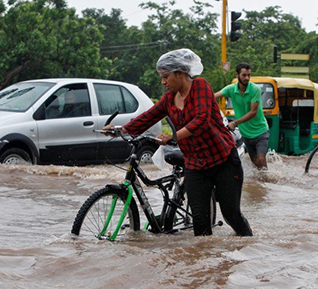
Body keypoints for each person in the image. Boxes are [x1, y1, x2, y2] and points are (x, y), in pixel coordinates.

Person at [103, 48, 253, 237]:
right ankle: (206, 265)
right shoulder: (169, 99)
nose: (163, 82)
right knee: (200, 222)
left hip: (223, 161)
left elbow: (202, 119)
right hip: (196, 165)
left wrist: (174, 137)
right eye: (161, 77)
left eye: (166, 76)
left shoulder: (200, 87)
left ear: (180, 73)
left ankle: (248, 246)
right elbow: (148, 117)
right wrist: (120, 130)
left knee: (231, 215)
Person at [214, 63, 269, 169]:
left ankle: (267, 183)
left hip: (261, 131)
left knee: (261, 159)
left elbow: (253, 112)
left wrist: (235, 123)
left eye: (249, 75)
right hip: (246, 134)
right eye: (244, 75)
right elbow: (213, 96)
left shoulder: (255, 89)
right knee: (255, 163)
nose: (247, 78)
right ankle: (259, 184)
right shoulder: (230, 89)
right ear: (237, 74)